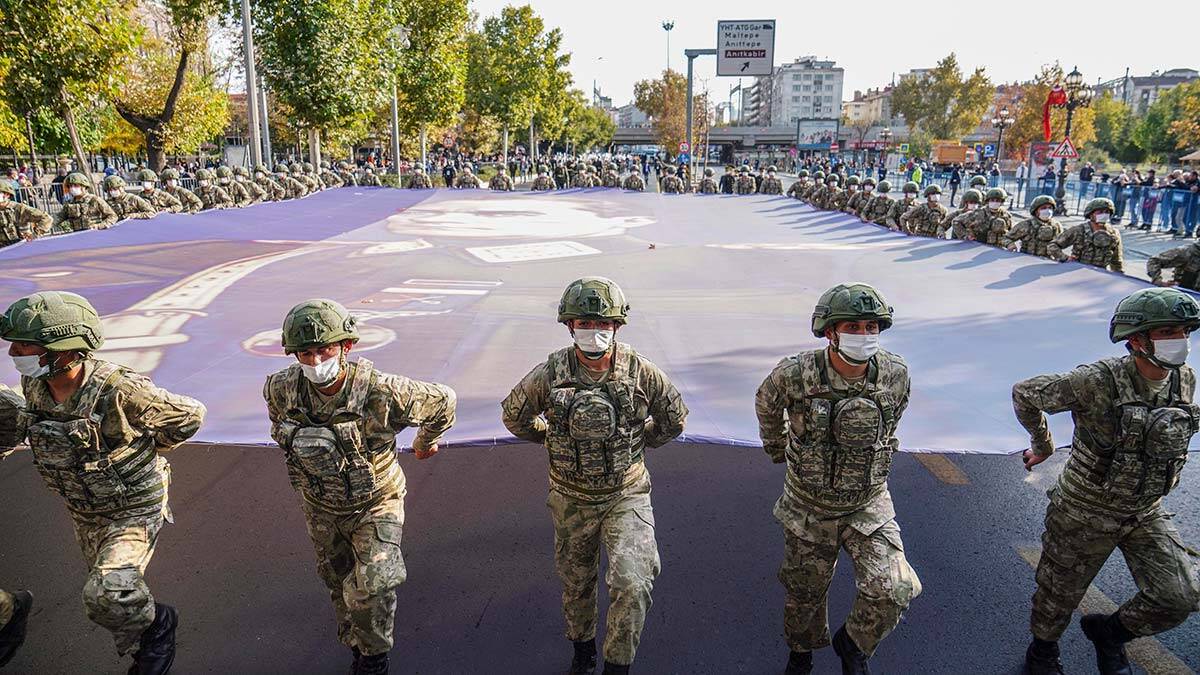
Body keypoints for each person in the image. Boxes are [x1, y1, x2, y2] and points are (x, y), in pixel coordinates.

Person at [2, 291, 206, 674]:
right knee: (111, 596)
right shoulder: (36, 386)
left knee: (107, 594)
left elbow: (189, 416)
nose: (15, 353)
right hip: (86, 509)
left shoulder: (119, 389)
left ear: (64, 349)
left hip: (134, 505)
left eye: (25, 346)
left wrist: (148, 449)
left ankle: (157, 630)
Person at [501, 277, 687, 675]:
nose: (594, 332)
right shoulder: (551, 372)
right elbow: (514, 416)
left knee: (633, 581)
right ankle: (582, 650)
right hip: (572, 497)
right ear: (570, 326)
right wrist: (549, 438)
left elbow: (674, 417)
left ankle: (617, 664)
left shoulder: (639, 370)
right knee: (577, 582)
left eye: (602, 324)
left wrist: (641, 443)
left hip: (626, 493)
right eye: (584, 324)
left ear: (617, 326)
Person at [1015, 287, 1200, 675]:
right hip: (1084, 510)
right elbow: (1026, 393)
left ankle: (1110, 633)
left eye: (1184, 331)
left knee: (1179, 596)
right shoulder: (1095, 381)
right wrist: (1043, 444)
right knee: (1057, 596)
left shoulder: (1184, 380)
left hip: (1143, 510)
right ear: (1137, 339)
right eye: (1168, 332)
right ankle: (1043, 652)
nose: (1180, 341)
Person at [264, 300, 456, 675]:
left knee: (372, 584)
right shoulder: (281, 389)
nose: (316, 360)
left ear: (346, 347)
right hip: (320, 505)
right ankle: (356, 642)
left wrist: (424, 442)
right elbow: (279, 425)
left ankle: (373, 657)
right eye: (306, 352)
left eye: (325, 350)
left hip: (376, 502)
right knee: (337, 580)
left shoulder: (381, 392)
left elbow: (443, 401)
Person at [755, 283, 921, 675]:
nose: (863, 336)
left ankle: (854, 643)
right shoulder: (795, 374)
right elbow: (766, 403)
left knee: (895, 588)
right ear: (830, 331)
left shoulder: (895, 374)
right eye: (852, 326)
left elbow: (891, 420)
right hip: (808, 504)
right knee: (805, 592)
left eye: (870, 327)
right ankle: (801, 654)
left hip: (868, 502)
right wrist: (777, 446)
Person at [1049, 198, 1124, 273]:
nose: (1104, 215)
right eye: (1100, 212)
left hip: (1100, 274)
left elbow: (1116, 261)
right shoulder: (1079, 230)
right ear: (1091, 214)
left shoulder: (1114, 233)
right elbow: (1053, 246)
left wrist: (1120, 276)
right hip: (1076, 272)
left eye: (1107, 212)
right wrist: (1065, 258)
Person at [53, 173, 117, 233]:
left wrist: (101, 225)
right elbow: (59, 217)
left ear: (84, 186)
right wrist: (45, 226)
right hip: (78, 236)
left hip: (95, 234)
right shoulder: (69, 203)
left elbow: (112, 216)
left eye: (76, 185)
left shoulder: (94, 200)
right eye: (70, 186)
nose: (72, 188)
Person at [0, 180, 52, 245]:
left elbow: (46, 218)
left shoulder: (20, 208)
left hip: (22, 246)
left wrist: (34, 235)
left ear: (7, 194)